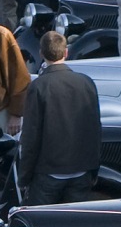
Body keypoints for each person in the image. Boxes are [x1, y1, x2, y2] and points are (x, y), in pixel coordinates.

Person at [16, 29, 103, 206]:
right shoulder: (86, 82)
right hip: (81, 169)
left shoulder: (39, 86)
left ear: (41, 53)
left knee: (41, 226)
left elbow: (31, 135)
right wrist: (94, 168)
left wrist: (24, 176)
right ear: (66, 52)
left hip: (48, 172)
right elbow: (95, 128)